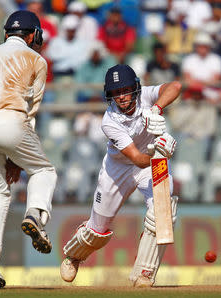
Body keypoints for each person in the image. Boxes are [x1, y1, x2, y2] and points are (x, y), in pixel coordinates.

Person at [59, 64, 181, 287]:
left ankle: (145, 272)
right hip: (120, 169)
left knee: (163, 212)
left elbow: (175, 86)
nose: (122, 97)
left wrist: (157, 109)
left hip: (151, 165)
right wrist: (159, 152)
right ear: (109, 95)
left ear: (135, 87)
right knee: (97, 231)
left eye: (125, 90)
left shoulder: (146, 95)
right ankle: (74, 255)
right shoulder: (109, 121)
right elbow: (136, 158)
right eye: (116, 92)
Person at [0, 10, 57, 289]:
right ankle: (35, 216)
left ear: (7, 33)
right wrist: (16, 158)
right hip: (9, 121)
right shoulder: (37, 60)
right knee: (43, 170)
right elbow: (30, 109)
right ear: (32, 35)